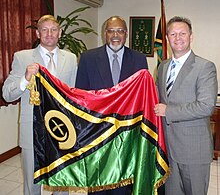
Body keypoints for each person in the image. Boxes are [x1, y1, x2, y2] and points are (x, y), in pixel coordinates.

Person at [2, 15, 78, 195]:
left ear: (60, 33)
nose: (49, 34)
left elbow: (73, 93)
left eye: (53, 29)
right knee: (32, 183)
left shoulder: (71, 58)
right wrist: (25, 78)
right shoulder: (23, 57)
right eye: (44, 29)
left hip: (61, 130)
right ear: (38, 33)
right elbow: (7, 93)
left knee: (62, 181)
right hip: (32, 130)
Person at [75, 16, 148, 194]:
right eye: (111, 31)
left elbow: (142, 97)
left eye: (120, 31)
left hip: (126, 134)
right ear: (104, 33)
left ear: (126, 34)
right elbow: (81, 96)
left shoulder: (139, 59)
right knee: (98, 183)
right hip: (97, 134)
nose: (115, 35)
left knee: (123, 185)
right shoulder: (88, 58)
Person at [154, 16, 218, 195]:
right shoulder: (163, 67)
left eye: (182, 33)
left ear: (191, 36)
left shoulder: (205, 67)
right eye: (172, 34)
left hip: (193, 151)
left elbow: (206, 106)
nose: (177, 38)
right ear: (167, 37)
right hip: (168, 149)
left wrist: (169, 111)